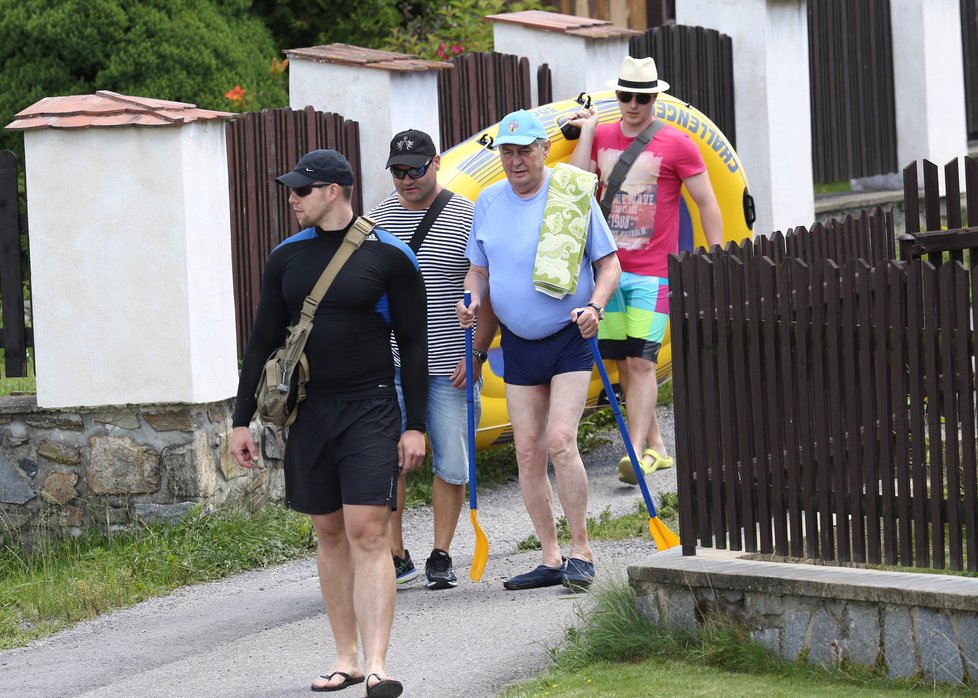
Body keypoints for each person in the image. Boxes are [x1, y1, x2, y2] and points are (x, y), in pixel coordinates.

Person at [229, 149, 426, 697]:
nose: (292, 198)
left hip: (372, 407)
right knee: (329, 529)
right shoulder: (285, 259)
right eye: (291, 190)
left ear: (334, 190)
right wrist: (240, 420)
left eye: (301, 190)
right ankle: (347, 659)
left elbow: (413, 345)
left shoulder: (389, 256)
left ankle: (379, 664)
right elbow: (262, 342)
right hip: (309, 413)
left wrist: (416, 425)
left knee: (369, 530)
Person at [457, 110, 621, 591]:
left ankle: (581, 550)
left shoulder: (571, 193)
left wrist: (595, 306)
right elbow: (479, 271)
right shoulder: (488, 201)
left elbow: (609, 266)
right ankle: (550, 558)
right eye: (507, 152)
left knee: (560, 441)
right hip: (519, 343)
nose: (515, 160)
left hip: (569, 336)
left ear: (544, 150)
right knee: (528, 452)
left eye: (524, 150)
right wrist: (472, 299)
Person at [568, 55, 724, 485]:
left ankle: (634, 453)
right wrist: (586, 131)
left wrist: (716, 257)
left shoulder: (678, 143)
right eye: (625, 95)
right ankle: (656, 447)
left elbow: (707, 203)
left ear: (655, 96)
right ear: (617, 95)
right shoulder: (601, 135)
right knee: (621, 362)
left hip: (655, 272)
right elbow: (579, 182)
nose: (633, 104)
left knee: (641, 363)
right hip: (610, 271)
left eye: (641, 97)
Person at [369, 128, 498, 590]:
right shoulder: (376, 221)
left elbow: (487, 292)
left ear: (437, 162)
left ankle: (441, 553)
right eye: (398, 171)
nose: (406, 179)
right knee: (388, 461)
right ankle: (396, 553)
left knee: (454, 463)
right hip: (391, 364)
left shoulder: (466, 216)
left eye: (415, 169)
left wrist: (479, 354)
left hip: (450, 364)